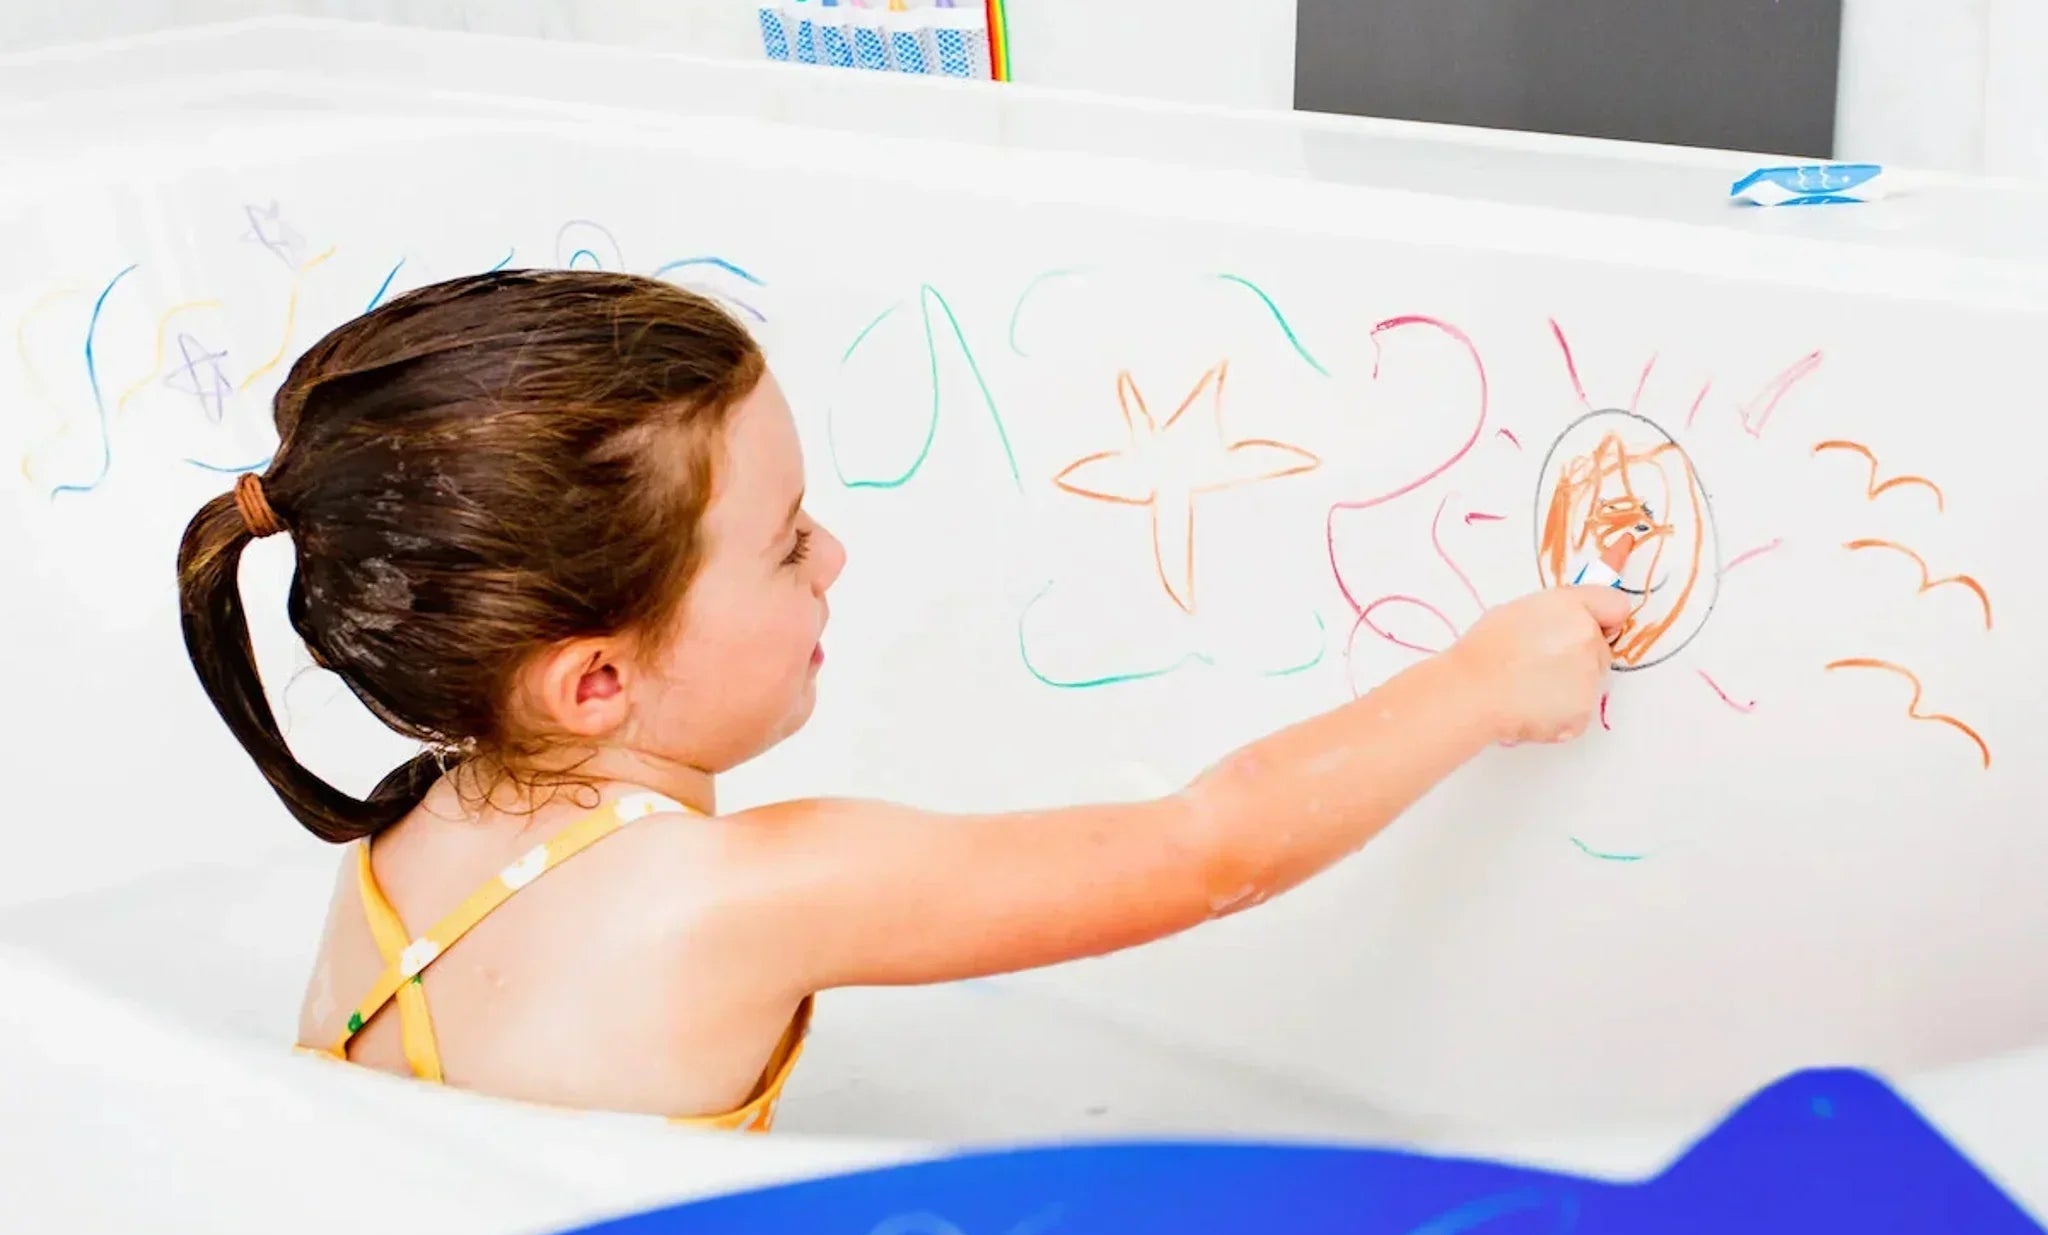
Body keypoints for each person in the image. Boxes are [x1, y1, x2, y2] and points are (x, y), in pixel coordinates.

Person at [177, 270, 1627, 1129]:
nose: (837, 556)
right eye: (787, 538)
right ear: (598, 679)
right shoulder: (739, 891)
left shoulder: (405, 839)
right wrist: (1483, 683)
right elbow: (1208, 849)